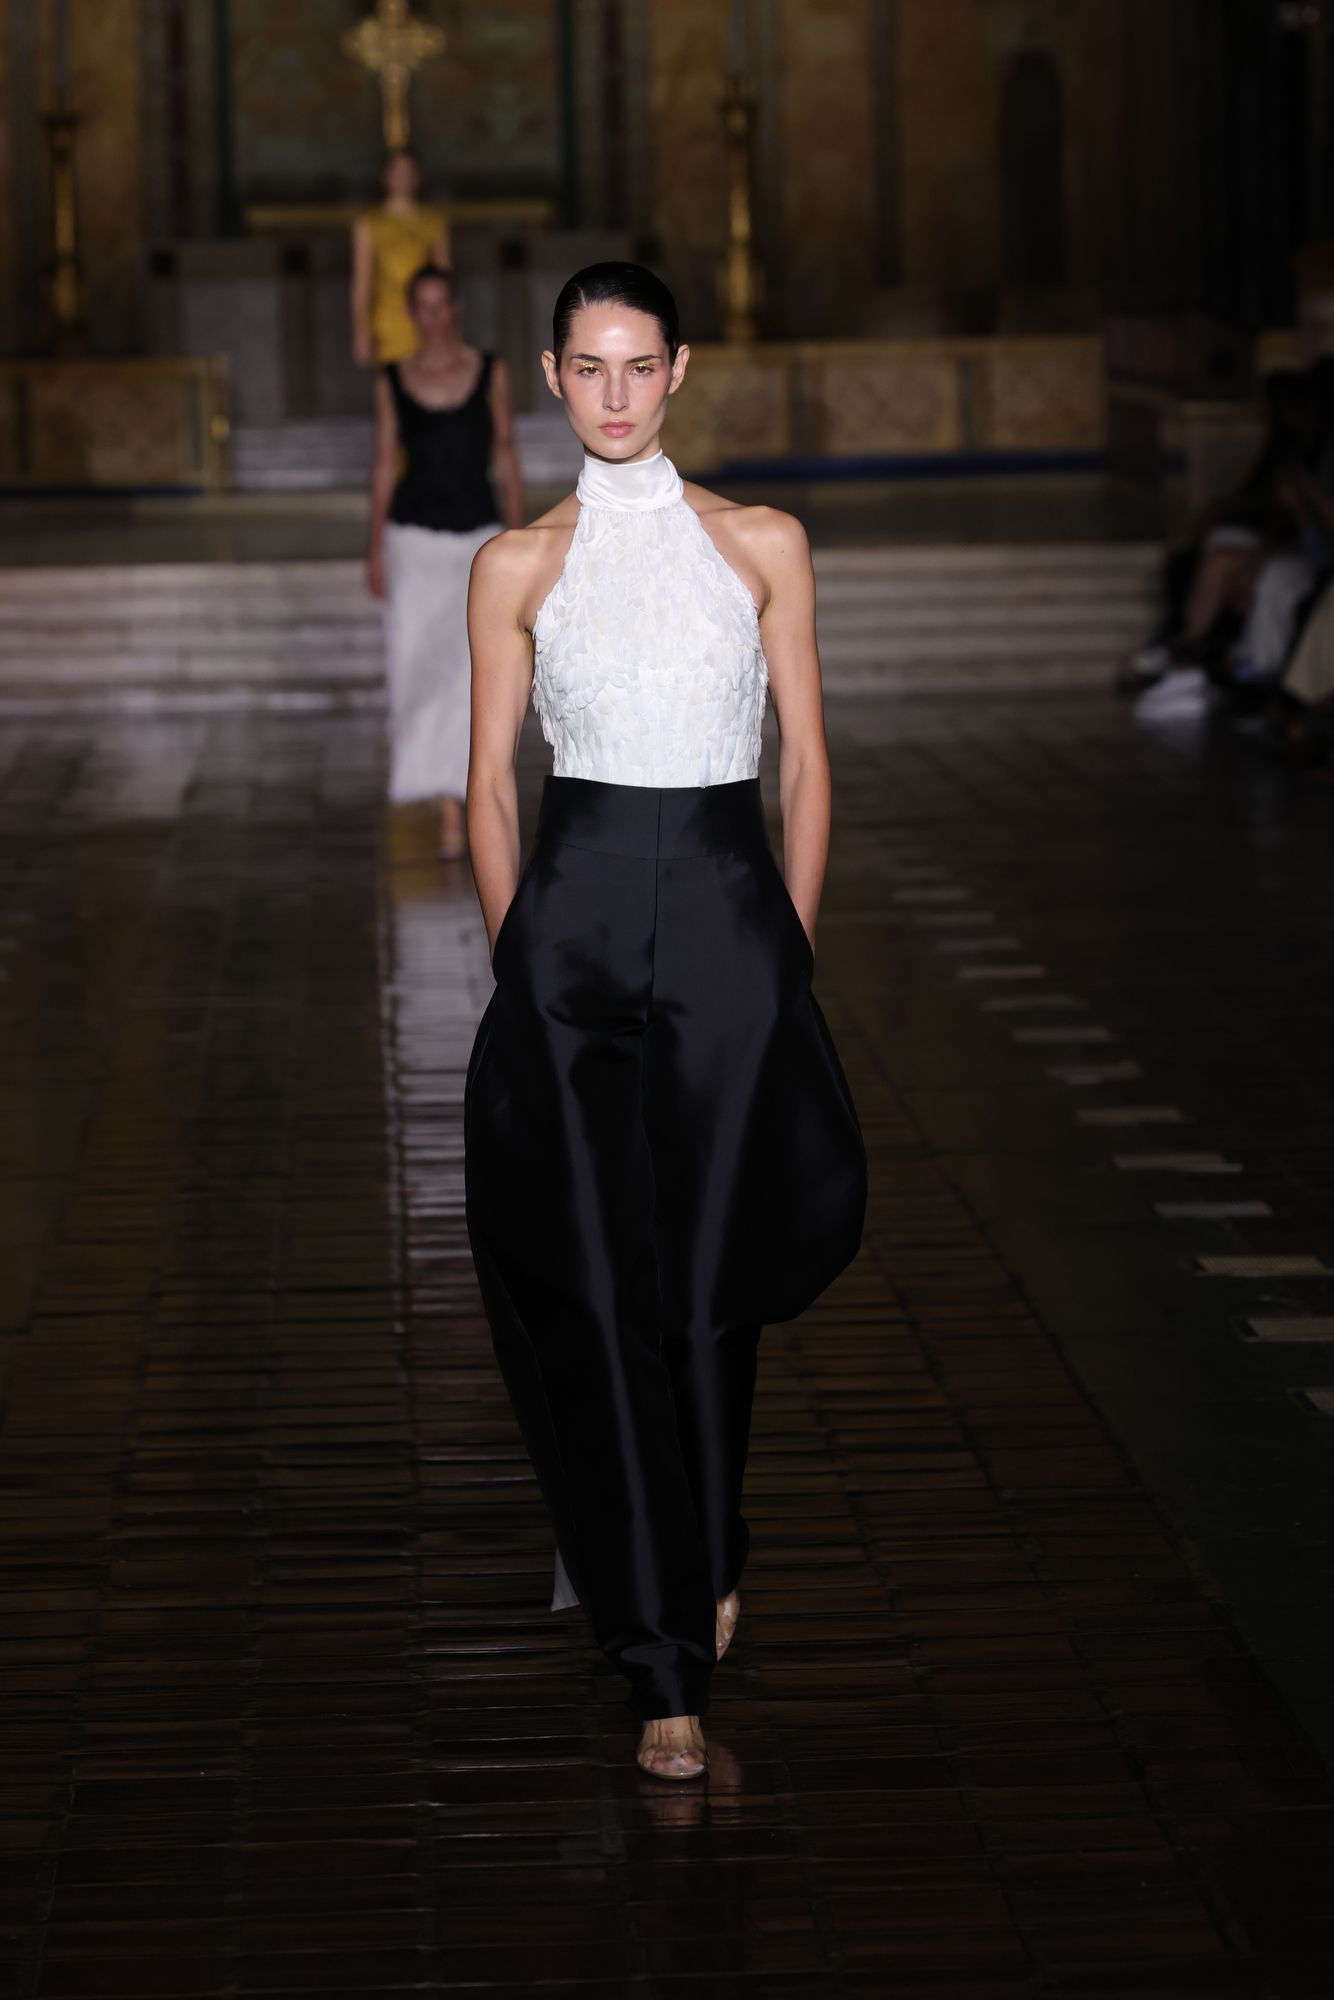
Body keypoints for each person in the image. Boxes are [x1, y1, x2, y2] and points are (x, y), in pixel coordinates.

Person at [463, 263, 867, 1781]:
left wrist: (786, 951)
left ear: (679, 369)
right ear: (551, 377)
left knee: (706, 1292)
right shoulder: (515, 563)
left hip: (725, 928)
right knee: (589, 1282)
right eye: (590, 367)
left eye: (640, 365)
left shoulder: (761, 543)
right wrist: (515, 965)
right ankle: (659, 1661)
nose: (616, 394)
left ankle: (701, 1548)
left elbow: (805, 761)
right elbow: (487, 783)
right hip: (566, 941)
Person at [367, 265, 523, 859]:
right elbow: (385, 462)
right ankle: (444, 805)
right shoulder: (392, 379)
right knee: (416, 666)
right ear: (412, 314)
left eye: (441, 305)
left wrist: (517, 537)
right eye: (422, 307)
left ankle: (468, 799)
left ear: (456, 307)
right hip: (413, 539)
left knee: (471, 672)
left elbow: (505, 452)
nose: (432, 317)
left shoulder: (490, 371)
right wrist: (374, 546)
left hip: (477, 538)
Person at [352, 150, 450, 369]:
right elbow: (362, 283)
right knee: (392, 380)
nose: (403, 178)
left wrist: (450, 328)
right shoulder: (370, 223)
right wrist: (361, 332)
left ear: (418, 177)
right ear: (386, 177)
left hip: (426, 317)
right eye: (397, 172)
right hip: (388, 320)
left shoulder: (433, 222)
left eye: (408, 172)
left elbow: (445, 281)